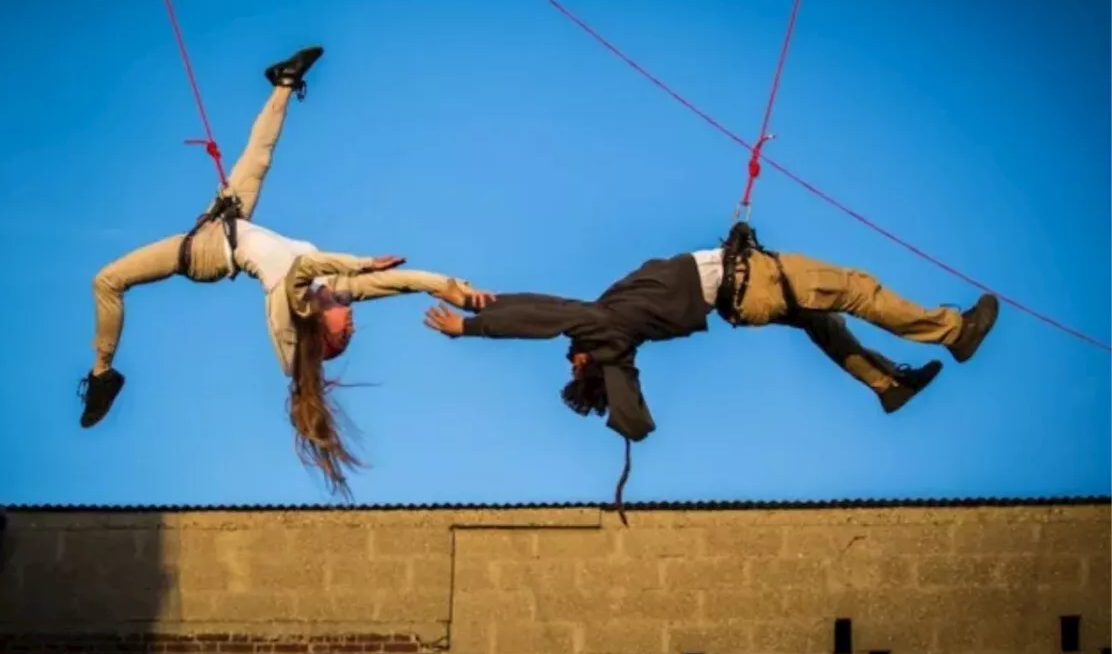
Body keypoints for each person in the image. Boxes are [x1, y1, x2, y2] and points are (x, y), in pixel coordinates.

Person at [80, 46, 493, 495]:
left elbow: (302, 266)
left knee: (107, 280)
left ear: (321, 326)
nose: (352, 322)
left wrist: (360, 261)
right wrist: (451, 288)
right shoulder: (333, 289)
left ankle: (103, 372)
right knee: (259, 155)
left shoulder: (294, 301)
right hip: (230, 222)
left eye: (345, 332)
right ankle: (284, 81)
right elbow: (399, 283)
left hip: (206, 253)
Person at [422, 231, 998, 443]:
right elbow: (542, 314)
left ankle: (886, 385)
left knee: (826, 324)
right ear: (588, 359)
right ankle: (952, 332)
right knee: (855, 289)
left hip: (743, 285)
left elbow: (635, 419)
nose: (568, 357)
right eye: (575, 364)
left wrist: (622, 415)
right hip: (750, 283)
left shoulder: (613, 340)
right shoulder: (603, 332)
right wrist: (470, 322)